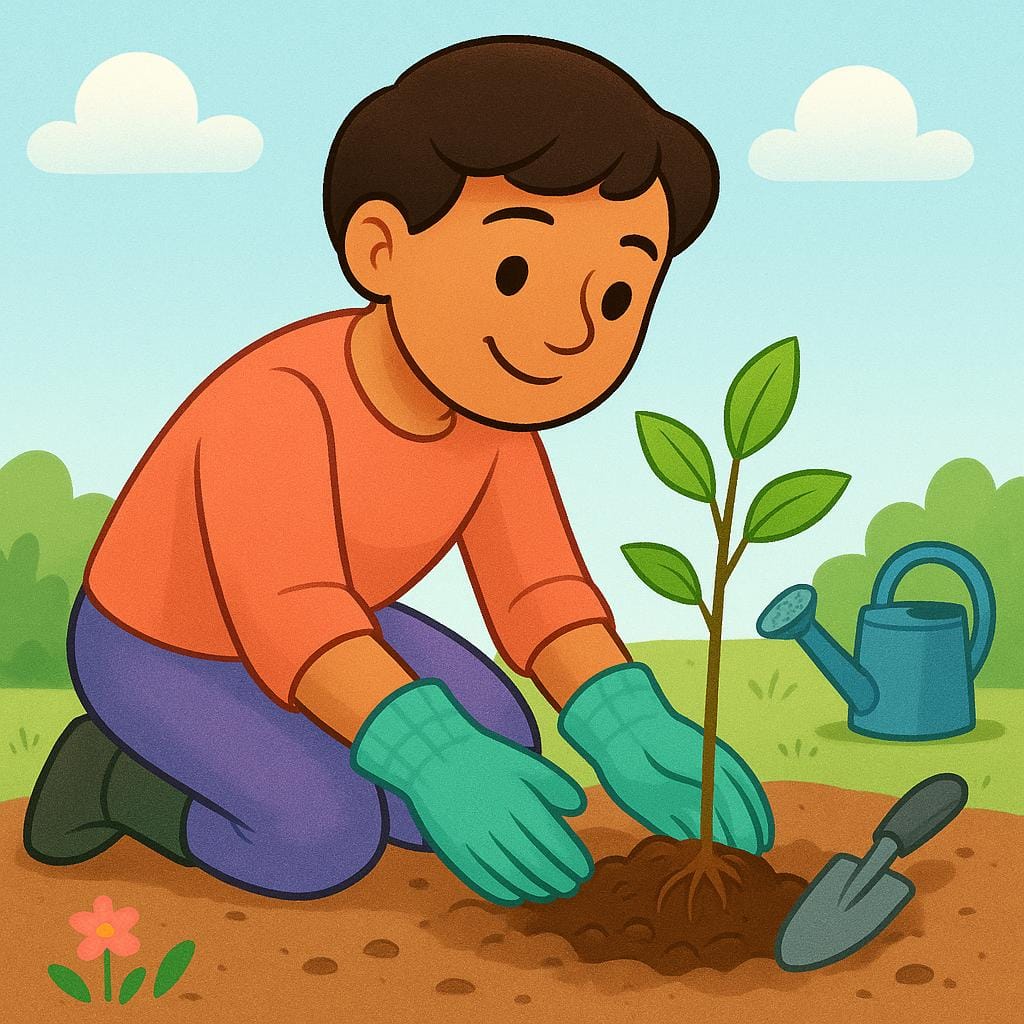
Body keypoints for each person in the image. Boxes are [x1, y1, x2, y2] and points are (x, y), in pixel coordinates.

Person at [24, 36, 772, 904]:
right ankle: (113, 778)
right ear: (380, 248)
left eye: (615, 296)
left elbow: (538, 592)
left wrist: (621, 713)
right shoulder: (279, 404)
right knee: (322, 837)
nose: (574, 332)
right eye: (516, 271)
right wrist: (427, 751)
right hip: (164, 647)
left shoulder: (494, 421)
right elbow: (288, 612)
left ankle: (309, 754)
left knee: (504, 747)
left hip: (344, 618)